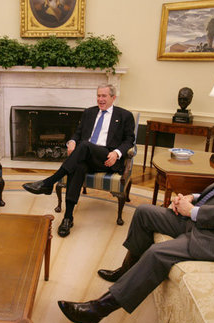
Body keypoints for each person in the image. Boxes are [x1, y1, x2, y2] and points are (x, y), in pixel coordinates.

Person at [57, 122, 214, 323]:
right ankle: (127, 271)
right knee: (143, 212)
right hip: (204, 219)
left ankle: (98, 309)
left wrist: (194, 212)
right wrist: (192, 198)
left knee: (158, 252)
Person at [23, 84, 135, 237]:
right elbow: (78, 133)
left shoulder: (124, 115)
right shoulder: (89, 112)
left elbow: (129, 140)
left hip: (107, 158)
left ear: (113, 97)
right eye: (98, 96)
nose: (100, 99)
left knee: (85, 146)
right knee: (78, 166)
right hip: (86, 156)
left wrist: (116, 153)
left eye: (104, 96)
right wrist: (72, 141)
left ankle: (49, 182)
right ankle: (68, 218)